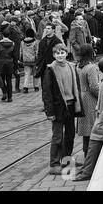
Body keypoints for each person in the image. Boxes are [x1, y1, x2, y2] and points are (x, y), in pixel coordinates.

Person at [73, 57, 103, 181]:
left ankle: (87, 172)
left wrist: (101, 119)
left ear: (99, 71)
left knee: (93, 145)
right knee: (93, 145)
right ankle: (86, 169)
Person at [42, 44, 83, 175]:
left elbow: (76, 86)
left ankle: (66, 160)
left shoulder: (71, 67)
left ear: (66, 53)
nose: (60, 55)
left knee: (70, 135)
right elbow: (47, 93)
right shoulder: (50, 70)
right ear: (54, 55)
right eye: (57, 53)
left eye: (62, 52)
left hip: (71, 106)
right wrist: (50, 112)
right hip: (58, 107)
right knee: (58, 136)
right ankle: (54, 164)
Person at [75, 44, 99, 159]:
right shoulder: (91, 67)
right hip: (90, 99)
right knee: (92, 128)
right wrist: (102, 97)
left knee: (86, 130)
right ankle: (91, 156)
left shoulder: (78, 66)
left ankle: (86, 154)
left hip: (81, 98)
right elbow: (94, 86)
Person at [0, 23, 16, 102]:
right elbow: (15, 56)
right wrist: (16, 66)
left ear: (2, 35)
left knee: (1, 79)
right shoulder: (12, 44)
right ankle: (10, 97)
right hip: (10, 63)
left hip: (1, 64)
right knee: (9, 80)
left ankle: (4, 92)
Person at [20, 28, 40, 93]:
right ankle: (36, 86)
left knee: (27, 74)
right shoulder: (35, 42)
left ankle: (25, 87)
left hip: (26, 60)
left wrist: (21, 58)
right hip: (34, 60)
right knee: (35, 74)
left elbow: (21, 51)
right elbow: (37, 51)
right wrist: (38, 59)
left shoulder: (22, 42)